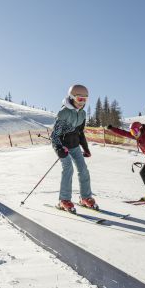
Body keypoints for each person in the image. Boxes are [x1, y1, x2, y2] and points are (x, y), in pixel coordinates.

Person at [51, 84, 96, 212]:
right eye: (79, 99)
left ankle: (85, 198)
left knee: (83, 170)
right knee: (68, 169)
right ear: (72, 97)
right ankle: (64, 200)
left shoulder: (82, 114)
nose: (82, 102)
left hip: (75, 146)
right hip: (62, 145)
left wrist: (86, 148)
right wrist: (59, 148)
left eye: (85, 99)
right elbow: (54, 135)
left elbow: (80, 133)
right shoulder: (63, 113)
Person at [107, 121, 145, 201]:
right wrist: (112, 129)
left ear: (140, 129)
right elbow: (124, 133)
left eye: (135, 131)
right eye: (132, 131)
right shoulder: (137, 136)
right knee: (142, 172)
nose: (134, 133)